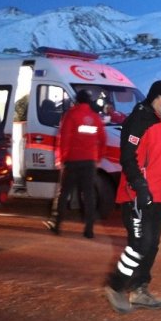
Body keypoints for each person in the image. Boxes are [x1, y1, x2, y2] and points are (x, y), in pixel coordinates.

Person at [104, 80, 161, 314]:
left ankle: (140, 290)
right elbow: (127, 158)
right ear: (153, 97)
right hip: (137, 197)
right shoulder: (138, 121)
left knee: (152, 245)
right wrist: (140, 187)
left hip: (159, 197)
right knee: (139, 244)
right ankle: (116, 286)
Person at [44, 90, 106, 238]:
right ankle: (89, 230)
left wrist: (60, 159)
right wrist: (98, 158)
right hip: (90, 162)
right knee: (89, 195)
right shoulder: (94, 117)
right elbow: (103, 139)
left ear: (77, 100)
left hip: (72, 161)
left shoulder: (71, 115)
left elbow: (64, 138)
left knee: (64, 193)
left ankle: (57, 225)